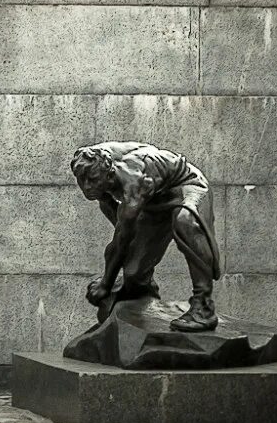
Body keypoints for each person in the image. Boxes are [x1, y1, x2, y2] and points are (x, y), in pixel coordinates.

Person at [71, 140, 220, 332]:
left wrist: (105, 284)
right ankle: (139, 298)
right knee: (133, 273)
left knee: (186, 222)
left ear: (108, 174)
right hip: (152, 201)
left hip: (186, 187)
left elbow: (121, 240)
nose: (86, 186)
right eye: (81, 180)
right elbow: (121, 225)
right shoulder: (95, 162)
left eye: (92, 180)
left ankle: (203, 306)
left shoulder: (131, 178)